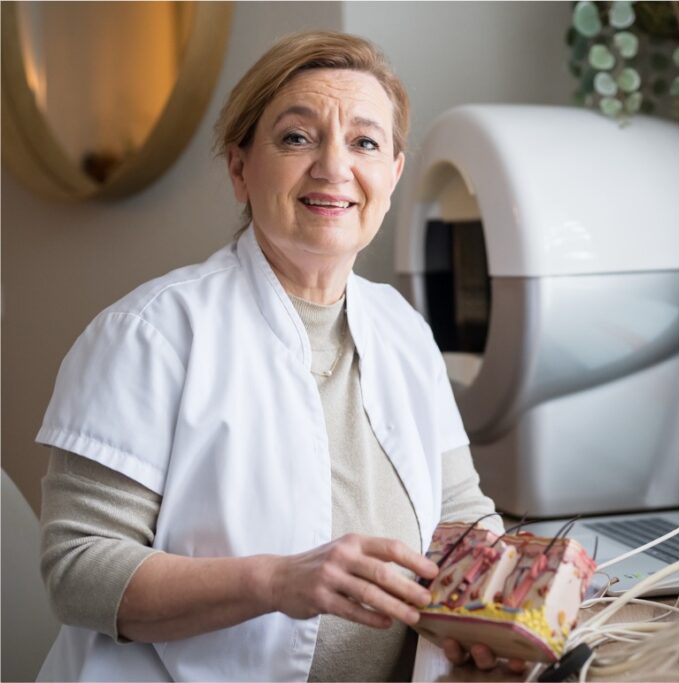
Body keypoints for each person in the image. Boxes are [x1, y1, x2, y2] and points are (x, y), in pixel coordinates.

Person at [35, 31, 518, 681]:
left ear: (393, 174)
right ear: (240, 170)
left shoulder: (403, 327)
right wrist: (276, 581)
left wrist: (496, 602)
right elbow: (77, 571)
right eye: (297, 138)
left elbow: (460, 514)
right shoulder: (149, 333)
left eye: (365, 143)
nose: (334, 167)